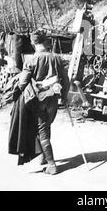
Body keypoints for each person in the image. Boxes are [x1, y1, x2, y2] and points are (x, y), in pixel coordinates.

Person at [12, 30, 69, 175]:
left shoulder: (30, 60)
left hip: (39, 99)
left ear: (33, 43)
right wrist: (64, 95)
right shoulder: (57, 58)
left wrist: (15, 94)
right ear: (45, 42)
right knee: (46, 126)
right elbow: (66, 81)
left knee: (42, 130)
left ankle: (52, 165)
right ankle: (44, 156)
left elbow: (23, 82)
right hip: (53, 98)